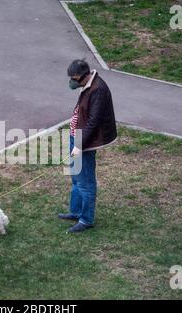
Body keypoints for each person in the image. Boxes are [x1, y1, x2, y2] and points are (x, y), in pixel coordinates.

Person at [59, 59, 117, 233]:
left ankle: (86, 220)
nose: (72, 82)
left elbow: (93, 122)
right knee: (76, 178)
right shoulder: (87, 84)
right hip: (76, 136)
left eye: (74, 79)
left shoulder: (98, 89)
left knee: (86, 182)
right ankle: (76, 211)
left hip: (83, 141)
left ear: (84, 76)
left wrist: (79, 145)